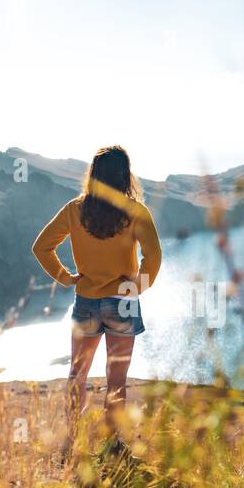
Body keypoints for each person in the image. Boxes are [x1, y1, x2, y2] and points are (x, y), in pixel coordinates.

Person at [31, 145, 161, 431]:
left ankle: (73, 437)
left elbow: (41, 247)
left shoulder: (75, 209)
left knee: (77, 375)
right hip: (123, 302)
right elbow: (153, 258)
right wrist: (136, 287)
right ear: (125, 176)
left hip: (86, 301)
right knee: (116, 380)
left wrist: (65, 277)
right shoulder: (136, 212)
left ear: (93, 175)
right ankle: (113, 444)